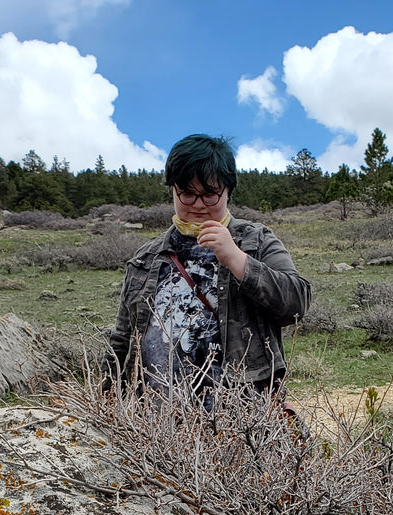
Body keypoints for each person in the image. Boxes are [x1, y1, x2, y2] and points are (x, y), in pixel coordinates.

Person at [109, 135, 310, 406]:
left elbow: (297, 303)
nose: (198, 204)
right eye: (187, 194)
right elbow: (122, 340)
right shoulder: (145, 258)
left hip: (241, 416)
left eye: (210, 194)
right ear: (173, 191)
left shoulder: (256, 241)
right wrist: (108, 400)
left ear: (228, 191)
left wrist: (238, 260)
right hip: (159, 424)